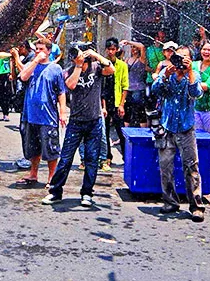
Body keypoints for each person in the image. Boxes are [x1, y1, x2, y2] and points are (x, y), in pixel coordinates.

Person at [43, 46, 115, 206]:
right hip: (76, 122)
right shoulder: (69, 70)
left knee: (91, 159)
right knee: (66, 158)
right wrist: (77, 66)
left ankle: (87, 193)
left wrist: (96, 55)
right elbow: (71, 85)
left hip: (94, 121)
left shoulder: (96, 68)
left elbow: (112, 69)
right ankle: (55, 191)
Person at [150, 46, 205, 222]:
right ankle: (170, 201)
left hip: (186, 128)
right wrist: (165, 75)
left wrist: (189, 73)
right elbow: (156, 90)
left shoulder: (194, 74)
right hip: (167, 127)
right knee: (165, 166)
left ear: (191, 60)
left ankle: (196, 205)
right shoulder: (168, 72)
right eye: (178, 57)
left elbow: (196, 94)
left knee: (191, 167)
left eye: (185, 57)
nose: (180, 60)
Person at [16, 41, 67, 187]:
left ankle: (52, 177)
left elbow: (61, 92)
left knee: (51, 148)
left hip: (48, 116)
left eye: (41, 49)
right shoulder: (31, 66)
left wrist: (63, 112)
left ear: (49, 51)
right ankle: (33, 173)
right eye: (36, 49)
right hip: (30, 114)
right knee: (32, 147)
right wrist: (35, 61)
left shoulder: (55, 69)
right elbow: (23, 77)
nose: (38, 52)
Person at [100, 38, 129, 167]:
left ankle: (126, 156)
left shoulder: (122, 65)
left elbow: (125, 86)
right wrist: (103, 106)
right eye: (109, 49)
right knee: (104, 131)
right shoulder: (102, 64)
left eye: (113, 49)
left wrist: (122, 104)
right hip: (105, 101)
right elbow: (101, 88)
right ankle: (107, 156)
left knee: (120, 130)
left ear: (117, 50)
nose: (111, 51)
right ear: (106, 50)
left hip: (117, 101)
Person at [122, 39, 148, 127]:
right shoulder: (127, 59)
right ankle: (125, 135)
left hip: (138, 89)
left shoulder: (141, 59)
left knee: (140, 111)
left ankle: (144, 134)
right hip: (128, 89)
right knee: (127, 111)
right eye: (132, 47)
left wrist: (129, 42)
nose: (134, 49)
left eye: (136, 48)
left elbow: (142, 46)